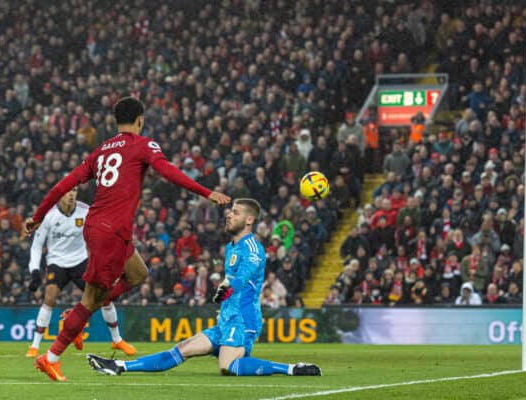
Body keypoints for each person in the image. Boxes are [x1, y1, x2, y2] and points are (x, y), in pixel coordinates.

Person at [25, 97, 230, 381]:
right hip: (109, 230)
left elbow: (65, 183)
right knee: (91, 299)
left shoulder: (100, 151)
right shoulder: (144, 145)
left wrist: (37, 217)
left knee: (137, 274)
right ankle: (51, 356)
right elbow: (168, 171)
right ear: (140, 119)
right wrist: (206, 192)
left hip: (104, 227)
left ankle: (75, 315)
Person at [86, 198, 320, 377]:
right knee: (182, 348)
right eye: (230, 211)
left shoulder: (253, 248)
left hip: (243, 319)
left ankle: (291, 369)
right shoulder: (232, 247)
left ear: (249, 220)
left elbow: (244, 276)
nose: (229, 215)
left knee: (228, 367)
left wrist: (227, 288)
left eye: (235, 213)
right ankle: (119, 366)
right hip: (228, 318)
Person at [26, 187, 136, 358]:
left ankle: (117, 339)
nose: (71, 194)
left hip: (80, 261)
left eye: (74, 191)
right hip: (57, 262)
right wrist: (34, 271)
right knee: (50, 297)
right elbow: (36, 246)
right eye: (68, 191)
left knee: (103, 296)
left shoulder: (86, 211)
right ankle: (34, 345)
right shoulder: (49, 216)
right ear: (60, 194)